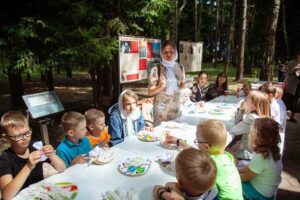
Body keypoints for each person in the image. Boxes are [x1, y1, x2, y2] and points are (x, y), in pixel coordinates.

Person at [166, 120, 244, 199]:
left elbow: (196, 158)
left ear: (206, 147)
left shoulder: (210, 163)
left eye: (197, 142)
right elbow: (198, 153)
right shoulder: (227, 156)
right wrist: (180, 143)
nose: (197, 144)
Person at [0, 111, 65, 199]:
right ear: (6, 137)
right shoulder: (5, 158)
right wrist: (28, 166)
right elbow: (7, 195)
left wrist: (52, 155)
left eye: (27, 132)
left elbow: (62, 168)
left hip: (38, 194)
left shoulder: (37, 145)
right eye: (18, 136)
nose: (25, 138)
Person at [239, 118, 282, 200]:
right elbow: (250, 167)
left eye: (251, 133)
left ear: (259, 138)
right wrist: (237, 170)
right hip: (268, 192)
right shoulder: (271, 150)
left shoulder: (261, 156)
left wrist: (232, 175)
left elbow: (245, 177)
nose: (249, 135)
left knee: (230, 184)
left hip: (259, 194)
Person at [153, 148, 218, 200]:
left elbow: (156, 188)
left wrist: (162, 193)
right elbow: (169, 185)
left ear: (180, 183)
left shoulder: (174, 197)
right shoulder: (213, 191)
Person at [148, 40, 185, 126]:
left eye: (171, 51)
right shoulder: (156, 69)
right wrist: (160, 87)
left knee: (175, 131)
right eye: (165, 52)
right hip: (161, 109)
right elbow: (150, 92)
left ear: (175, 52)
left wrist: (183, 86)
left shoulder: (180, 67)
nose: (168, 55)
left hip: (175, 107)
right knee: (161, 134)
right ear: (161, 53)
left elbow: (181, 85)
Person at [229, 91, 270, 167]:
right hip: (257, 155)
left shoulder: (251, 118)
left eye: (246, 99)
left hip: (246, 157)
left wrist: (240, 111)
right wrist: (241, 111)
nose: (243, 100)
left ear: (254, 106)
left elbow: (234, 130)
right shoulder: (260, 117)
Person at [283, 51, 300, 123]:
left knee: (296, 102)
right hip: (290, 85)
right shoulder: (291, 63)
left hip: (298, 86)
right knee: (287, 101)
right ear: (297, 55)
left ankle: (291, 117)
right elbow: (288, 73)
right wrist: (297, 68)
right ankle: (282, 116)